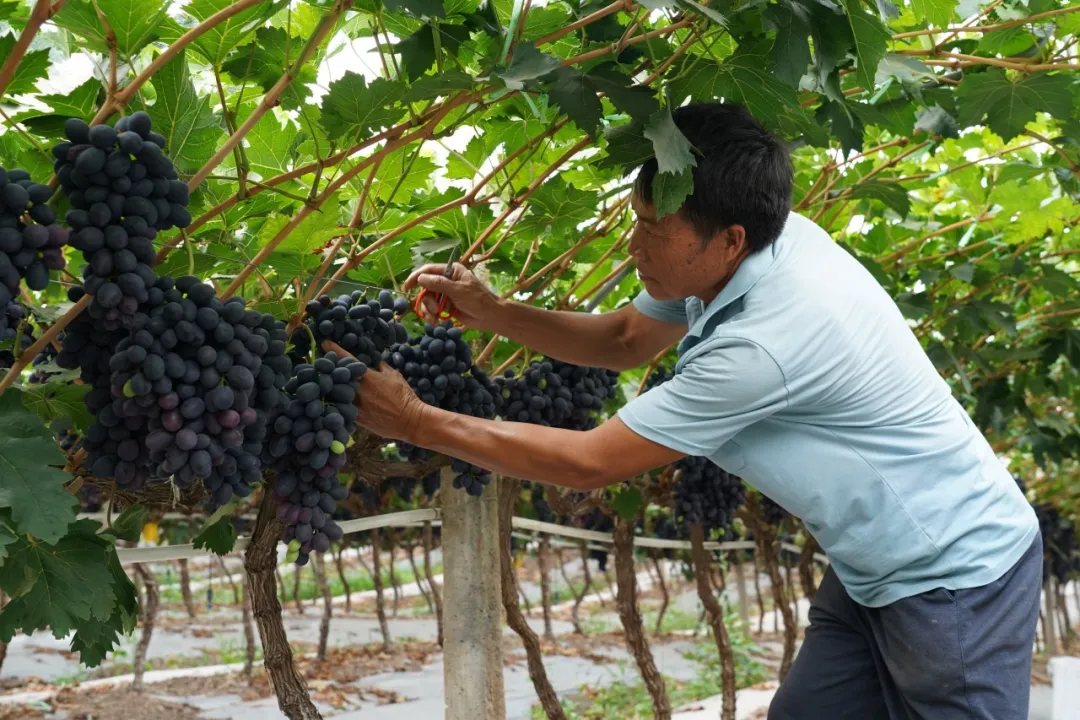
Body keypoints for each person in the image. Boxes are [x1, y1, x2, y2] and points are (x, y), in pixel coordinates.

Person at [354, 102, 1041, 719]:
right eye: (636, 220)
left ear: (730, 239)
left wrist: (415, 419)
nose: (632, 246)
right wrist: (494, 312)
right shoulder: (759, 243)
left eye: (653, 231)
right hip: (872, 567)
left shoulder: (762, 345)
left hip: (956, 574)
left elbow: (589, 463)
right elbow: (626, 341)